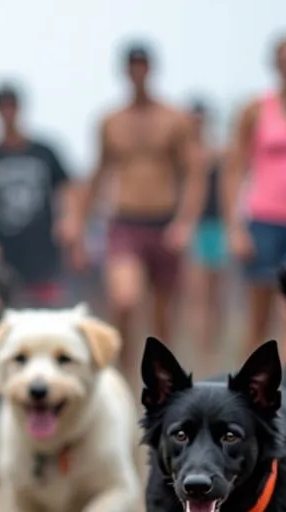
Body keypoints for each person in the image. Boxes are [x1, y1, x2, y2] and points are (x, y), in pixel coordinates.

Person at [75, 44, 204, 372]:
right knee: (124, 299)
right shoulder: (111, 121)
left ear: (151, 69)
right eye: (132, 66)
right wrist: (77, 223)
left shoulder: (174, 119)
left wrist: (185, 222)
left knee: (162, 317)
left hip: (164, 221)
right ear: (125, 71)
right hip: (124, 221)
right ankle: (121, 377)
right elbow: (98, 172)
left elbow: (194, 174)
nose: (138, 72)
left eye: (143, 66)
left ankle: (163, 388)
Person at [225, 35, 286, 362]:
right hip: (263, 220)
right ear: (275, 63)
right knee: (258, 316)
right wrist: (236, 228)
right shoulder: (256, 110)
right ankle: (246, 394)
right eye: (285, 59)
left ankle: (284, 395)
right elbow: (234, 171)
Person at [0, 82, 76, 308]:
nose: (8, 113)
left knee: (47, 309)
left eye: (11, 106)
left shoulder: (44, 153)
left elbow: (67, 189)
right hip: (4, 249)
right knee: (9, 309)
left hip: (43, 245)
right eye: (3, 107)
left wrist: (69, 220)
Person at [185, 100, 227, 371]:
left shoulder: (219, 153)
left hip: (218, 226)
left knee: (216, 296)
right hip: (195, 227)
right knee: (198, 295)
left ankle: (212, 350)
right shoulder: (184, 154)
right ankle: (200, 352)